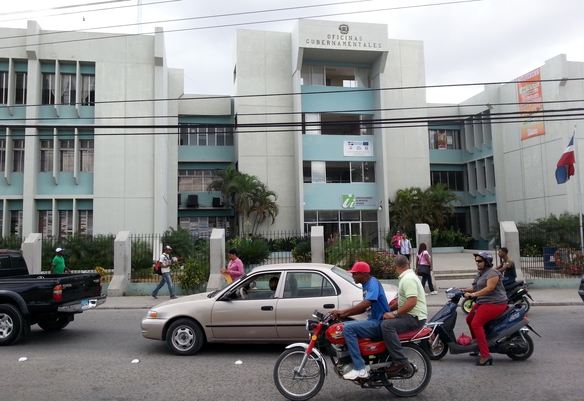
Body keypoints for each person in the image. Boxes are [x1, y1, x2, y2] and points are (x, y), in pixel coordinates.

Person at [331, 261, 390, 380]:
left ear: (363, 274)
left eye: (354, 274)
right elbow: (363, 309)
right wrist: (343, 314)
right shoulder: (366, 285)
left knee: (348, 329)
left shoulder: (372, 284)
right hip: (373, 320)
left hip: (378, 323)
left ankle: (360, 368)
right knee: (342, 326)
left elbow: (366, 304)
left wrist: (343, 312)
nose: (352, 276)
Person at [381, 255, 428, 373]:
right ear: (408, 264)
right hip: (410, 315)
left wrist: (394, 314)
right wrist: (387, 310)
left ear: (395, 266)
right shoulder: (408, 276)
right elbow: (402, 301)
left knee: (387, 326)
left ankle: (400, 360)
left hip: (414, 317)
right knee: (383, 321)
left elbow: (411, 302)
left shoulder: (408, 279)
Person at [460, 251, 507, 366]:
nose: (477, 263)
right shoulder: (481, 273)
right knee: (469, 319)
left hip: (496, 303)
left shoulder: (493, 273)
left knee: (476, 323)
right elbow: (475, 287)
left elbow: (489, 288)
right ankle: (477, 346)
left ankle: (485, 355)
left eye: (480, 261)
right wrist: (462, 290)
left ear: (486, 262)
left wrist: (474, 295)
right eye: (476, 261)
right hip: (483, 301)